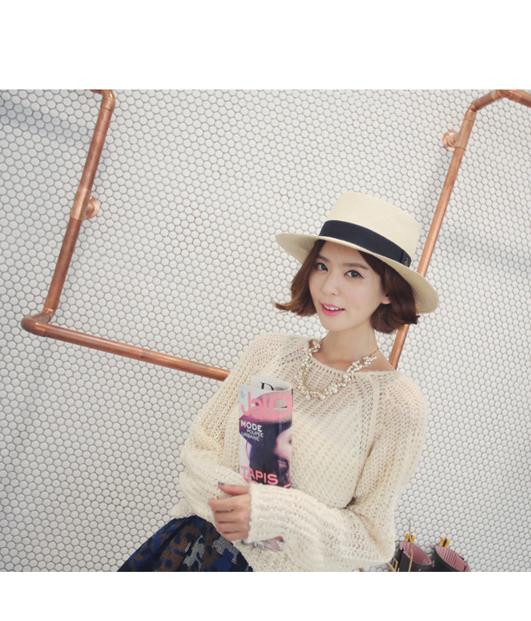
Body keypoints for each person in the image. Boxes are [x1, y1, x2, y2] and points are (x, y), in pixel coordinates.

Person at [119, 195, 436, 574]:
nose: (329, 287)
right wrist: (234, 505)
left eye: (353, 273)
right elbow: (200, 448)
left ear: (388, 290)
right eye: (321, 266)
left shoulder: (397, 404)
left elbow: (370, 538)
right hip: (188, 549)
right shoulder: (270, 351)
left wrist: (276, 515)